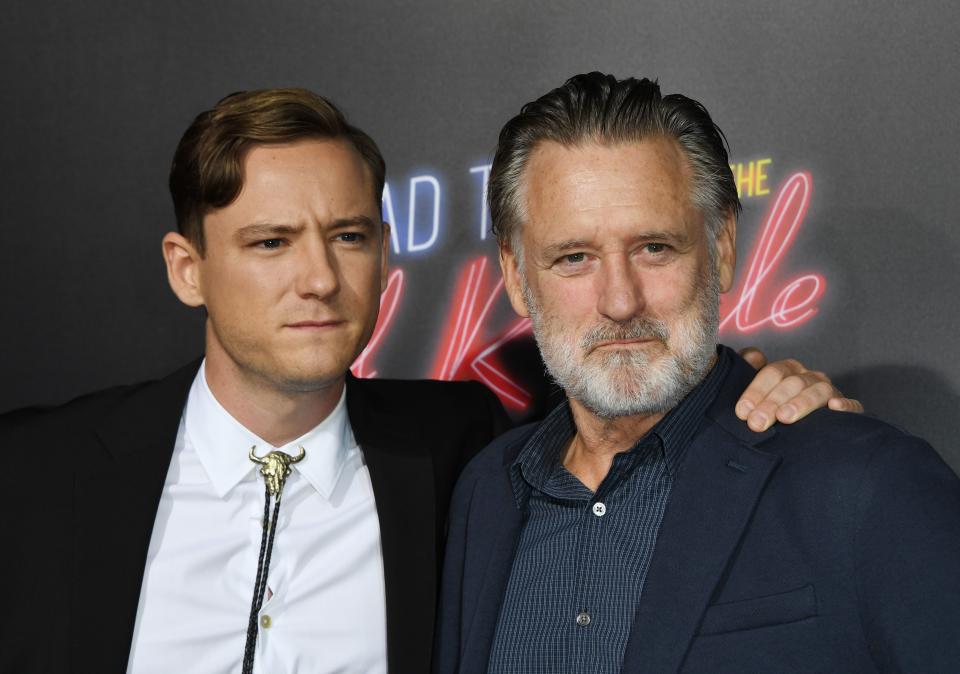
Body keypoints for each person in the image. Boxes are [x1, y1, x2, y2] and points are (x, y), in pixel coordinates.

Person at [0, 88, 854, 674]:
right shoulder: (38, 473)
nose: (319, 279)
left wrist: (775, 386)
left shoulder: (466, 452)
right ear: (188, 270)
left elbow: (640, 383)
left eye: (348, 237)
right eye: (270, 243)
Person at [434, 73, 960, 674]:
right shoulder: (486, 492)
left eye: (655, 247)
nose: (620, 300)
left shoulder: (867, 483)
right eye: (574, 257)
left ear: (724, 246)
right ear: (514, 274)